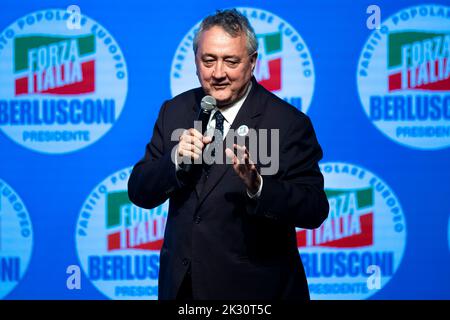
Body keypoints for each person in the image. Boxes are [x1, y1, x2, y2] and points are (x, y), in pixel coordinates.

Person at [128, 9, 329, 300]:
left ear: (252, 62)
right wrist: (174, 161)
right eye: (208, 60)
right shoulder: (174, 111)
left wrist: (259, 187)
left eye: (230, 61)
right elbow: (139, 190)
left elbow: (314, 208)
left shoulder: (287, 123)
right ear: (196, 61)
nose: (218, 73)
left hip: (256, 294)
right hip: (184, 290)